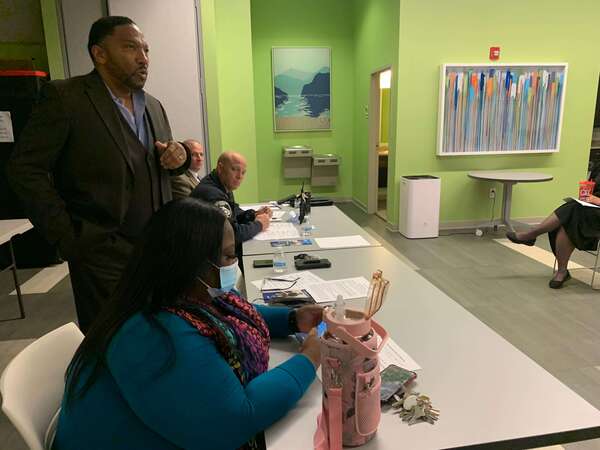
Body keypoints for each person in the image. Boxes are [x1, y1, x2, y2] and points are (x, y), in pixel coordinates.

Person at [52, 198, 322, 450]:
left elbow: (235, 312)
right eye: (229, 256)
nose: (234, 263)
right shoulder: (151, 334)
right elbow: (236, 420)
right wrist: (310, 357)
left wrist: (292, 319)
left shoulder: (178, 293)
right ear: (192, 264)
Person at [6, 16, 190, 333]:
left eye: (146, 50)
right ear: (99, 53)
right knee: (111, 341)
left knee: (157, 334)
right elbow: (25, 169)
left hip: (155, 249)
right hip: (99, 252)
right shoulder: (66, 98)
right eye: (131, 47)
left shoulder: (154, 106)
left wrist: (182, 156)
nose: (143, 58)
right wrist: (67, 236)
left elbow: (165, 166)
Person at [506, 166, 600, 289]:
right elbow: (591, 187)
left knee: (572, 211)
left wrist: (596, 200)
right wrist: (587, 196)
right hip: (592, 212)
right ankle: (562, 271)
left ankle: (532, 234)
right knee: (569, 218)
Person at [191, 151, 272, 266]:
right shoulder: (213, 194)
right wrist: (259, 224)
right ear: (220, 168)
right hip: (206, 263)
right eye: (235, 169)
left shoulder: (221, 185)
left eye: (243, 172)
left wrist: (254, 214)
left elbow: (233, 210)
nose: (240, 176)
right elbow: (233, 235)